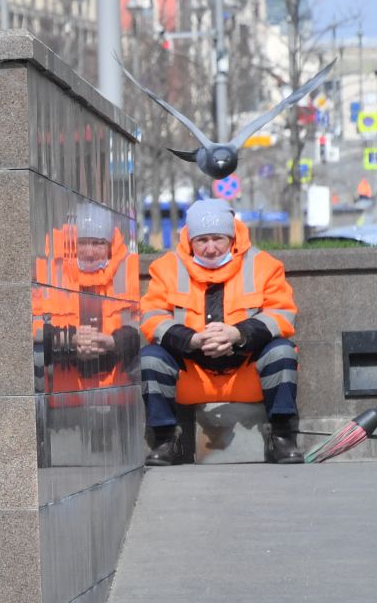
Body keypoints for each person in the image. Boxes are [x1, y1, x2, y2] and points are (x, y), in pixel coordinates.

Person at [139, 198, 301, 465]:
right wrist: (190, 339)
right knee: (151, 357)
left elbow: (281, 313)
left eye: (218, 239)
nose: (211, 248)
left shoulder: (264, 265)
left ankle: (282, 438)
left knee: (282, 352)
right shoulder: (166, 267)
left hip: (245, 368)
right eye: (202, 240)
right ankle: (166, 440)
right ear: (189, 240)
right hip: (191, 369)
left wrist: (237, 335)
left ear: (232, 238)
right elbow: (152, 316)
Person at [33, 203, 141, 395]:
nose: (89, 252)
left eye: (98, 243)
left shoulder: (128, 271)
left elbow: (145, 324)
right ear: (71, 241)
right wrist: (70, 339)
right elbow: (29, 329)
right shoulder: (46, 273)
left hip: (120, 394)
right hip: (60, 398)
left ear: (110, 245)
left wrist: (114, 341)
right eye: (82, 242)